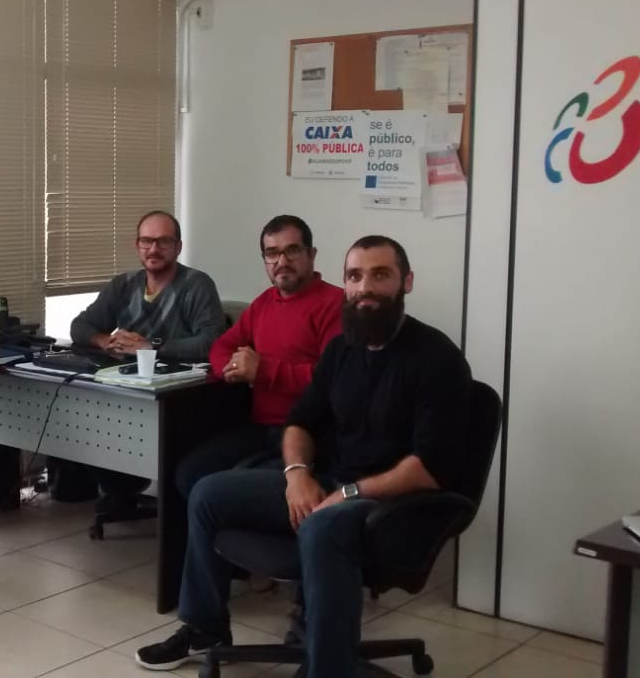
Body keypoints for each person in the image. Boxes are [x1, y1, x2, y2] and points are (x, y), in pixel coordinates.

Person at [134, 235, 472, 677]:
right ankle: (205, 628)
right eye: (355, 276)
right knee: (207, 492)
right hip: (333, 482)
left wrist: (347, 493)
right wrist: (297, 474)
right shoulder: (344, 348)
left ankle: (329, 668)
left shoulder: (436, 358)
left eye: (380, 275)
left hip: (395, 502)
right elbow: (300, 423)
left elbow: (429, 468)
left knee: (322, 525)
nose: (365, 288)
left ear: (406, 282)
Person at [176, 215, 344, 500]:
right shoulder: (265, 302)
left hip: (310, 434)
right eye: (272, 253)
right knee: (188, 474)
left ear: (311, 254)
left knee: (219, 490)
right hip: (260, 428)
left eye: (292, 250)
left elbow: (332, 380)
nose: (282, 261)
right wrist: (232, 367)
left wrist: (263, 371)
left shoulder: (336, 303)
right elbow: (221, 346)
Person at [69, 209, 225, 510]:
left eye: (163, 242)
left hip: (179, 398)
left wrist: (150, 347)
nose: (154, 249)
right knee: (82, 418)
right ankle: (121, 487)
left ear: (178, 247)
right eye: (147, 241)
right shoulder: (124, 284)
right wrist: (105, 340)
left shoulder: (196, 285)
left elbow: (211, 343)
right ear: (137, 245)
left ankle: (149, 497)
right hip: (126, 389)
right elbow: (80, 326)